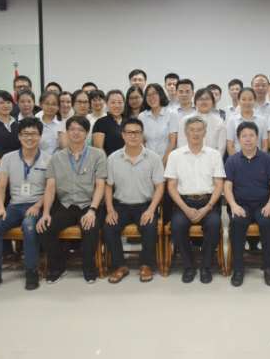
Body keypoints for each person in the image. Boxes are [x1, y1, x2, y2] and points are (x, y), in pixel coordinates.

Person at [0, 117, 49, 292]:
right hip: (14, 206)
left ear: (40, 136)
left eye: (34, 134)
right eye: (25, 134)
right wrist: (0, 208)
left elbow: (51, 190)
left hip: (36, 205)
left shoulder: (48, 159)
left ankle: (31, 271)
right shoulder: (8, 158)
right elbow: (0, 187)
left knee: (29, 226)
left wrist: (38, 205)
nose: (29, 137)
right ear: (19, 136)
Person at [36, 116, 107, 283]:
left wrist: (93, 210)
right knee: (45, 228)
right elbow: (50, 187)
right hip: (66, 204)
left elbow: (100, 185)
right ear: (67, 132)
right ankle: (57, 267)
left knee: (90, 228)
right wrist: (45, 213)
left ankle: (89, 268)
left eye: (80, 130)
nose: (76, 133)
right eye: (72, 129)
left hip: (89, 204)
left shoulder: (98, 155)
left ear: (86, 133)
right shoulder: (57, 157)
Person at [164, 115, 225, 284]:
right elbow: (171, 186)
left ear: (205, 132)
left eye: (199, 130)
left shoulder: (214, 155)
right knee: (177, 226)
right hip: (183, 202)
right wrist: (185, 208)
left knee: (214, 224)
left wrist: (207, 207)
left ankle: (205, 266)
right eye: (192, 130)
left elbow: (219, 185)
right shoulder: (175, 155)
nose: (196, 133)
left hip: (208, 202)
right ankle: (188, 266)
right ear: (186, 132)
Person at [103, 118, 165, 283]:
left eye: (137, 132)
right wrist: (110, 210)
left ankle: (146, 265)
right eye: (129, 132)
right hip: (120, 206)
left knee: (150, 227)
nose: (133, 136)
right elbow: (108, 186)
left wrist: (151, 210)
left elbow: (160, 186)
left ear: (142, 135)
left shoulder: (153, 158)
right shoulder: (113, 158)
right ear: (123, 135)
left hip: (145, 205)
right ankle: (120, 266)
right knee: (109, 228)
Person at [224, 121, 270, 287]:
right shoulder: (232, 161)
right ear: (238, 139)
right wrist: (233, 205)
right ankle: (238, 269)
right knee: (237, 223)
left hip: (264, 204)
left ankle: (268, 268)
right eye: (244, 136)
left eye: (251, 135)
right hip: (241, 205)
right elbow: (227, 187)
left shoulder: (267, 159)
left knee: (267, 223)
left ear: (257, 138)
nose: (248, 139)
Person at [178, 88, 227, 156]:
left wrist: (215, 160)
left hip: (212, 159)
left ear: (213, 102)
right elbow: (181, 143)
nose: (204, 102)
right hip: (188, 158)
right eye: (200, 99)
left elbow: (221, 147)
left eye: (207, 99)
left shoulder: (219, 122)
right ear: (195, 102)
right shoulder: (185, 120)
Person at [139, 84, 178, 164]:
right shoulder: (142, 116)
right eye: (148, 95)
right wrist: (147, 160)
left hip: (168, 161)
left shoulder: (171, 114)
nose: (152, 97)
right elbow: (141, 142)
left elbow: (172, 143)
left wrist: (163, 162)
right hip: (148, 161)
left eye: (154, 93)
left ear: (161, 95)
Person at [226, 87, 268, 155]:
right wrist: (237, 160)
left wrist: (260, 159)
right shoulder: (232, 120)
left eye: (250, 99)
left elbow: (265, 145)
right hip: (238, 159)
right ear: (239, 101)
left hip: (258, 159)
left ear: (255, 101)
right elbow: (230, 146)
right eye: (243, 99)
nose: (247, 102)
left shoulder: (262, 120)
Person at [92, 89, 125, 156]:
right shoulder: (100, 123)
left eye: (120, 102)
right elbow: (99, 149)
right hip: (109, 160)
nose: (117, 105)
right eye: (113, 102)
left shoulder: (130, 121)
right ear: (106, 104)